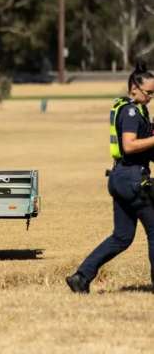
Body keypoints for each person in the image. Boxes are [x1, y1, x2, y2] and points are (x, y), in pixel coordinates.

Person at [67, 62, 154, 293]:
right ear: (134, 88)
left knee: (122, 236)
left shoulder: (133, 109)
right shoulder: (132, 111)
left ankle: (81, 277)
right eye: (149, 93)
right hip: (133, 180)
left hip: (121, 178)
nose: (151, 98)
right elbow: (130, 145)